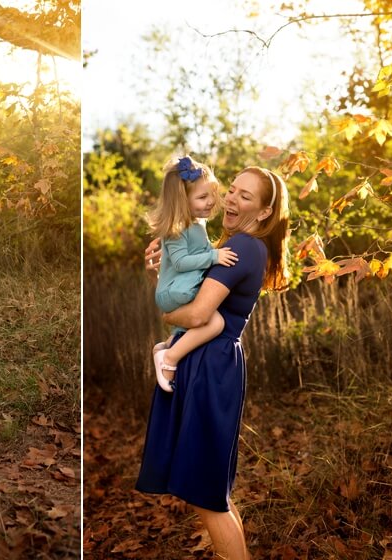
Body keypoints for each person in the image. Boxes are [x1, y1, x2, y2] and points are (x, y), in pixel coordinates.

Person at [136, 166, 290, 559]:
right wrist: (163, 275)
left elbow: (196, 315)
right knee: (211, 492)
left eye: (245, 197)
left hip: (211, 367)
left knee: (207, 496)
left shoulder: (244, 248)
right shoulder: (230, 243)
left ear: (265, 212)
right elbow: (184, 304)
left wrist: (169, 314)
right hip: (203, 361)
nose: (231, 200)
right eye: (232, 190)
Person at [148, 156, 237, 392]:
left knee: (207, 316)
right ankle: (169, 359)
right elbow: (180, 262)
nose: (210, 202)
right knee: (215, 322)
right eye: (202, 197)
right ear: (182, 200)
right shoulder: (176, 228)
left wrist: (213, 253)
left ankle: (167, 345)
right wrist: (214, 257)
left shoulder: (197, 223)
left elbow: (200, 251)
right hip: (173, 290)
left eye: (212, 195)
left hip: (181, 287)